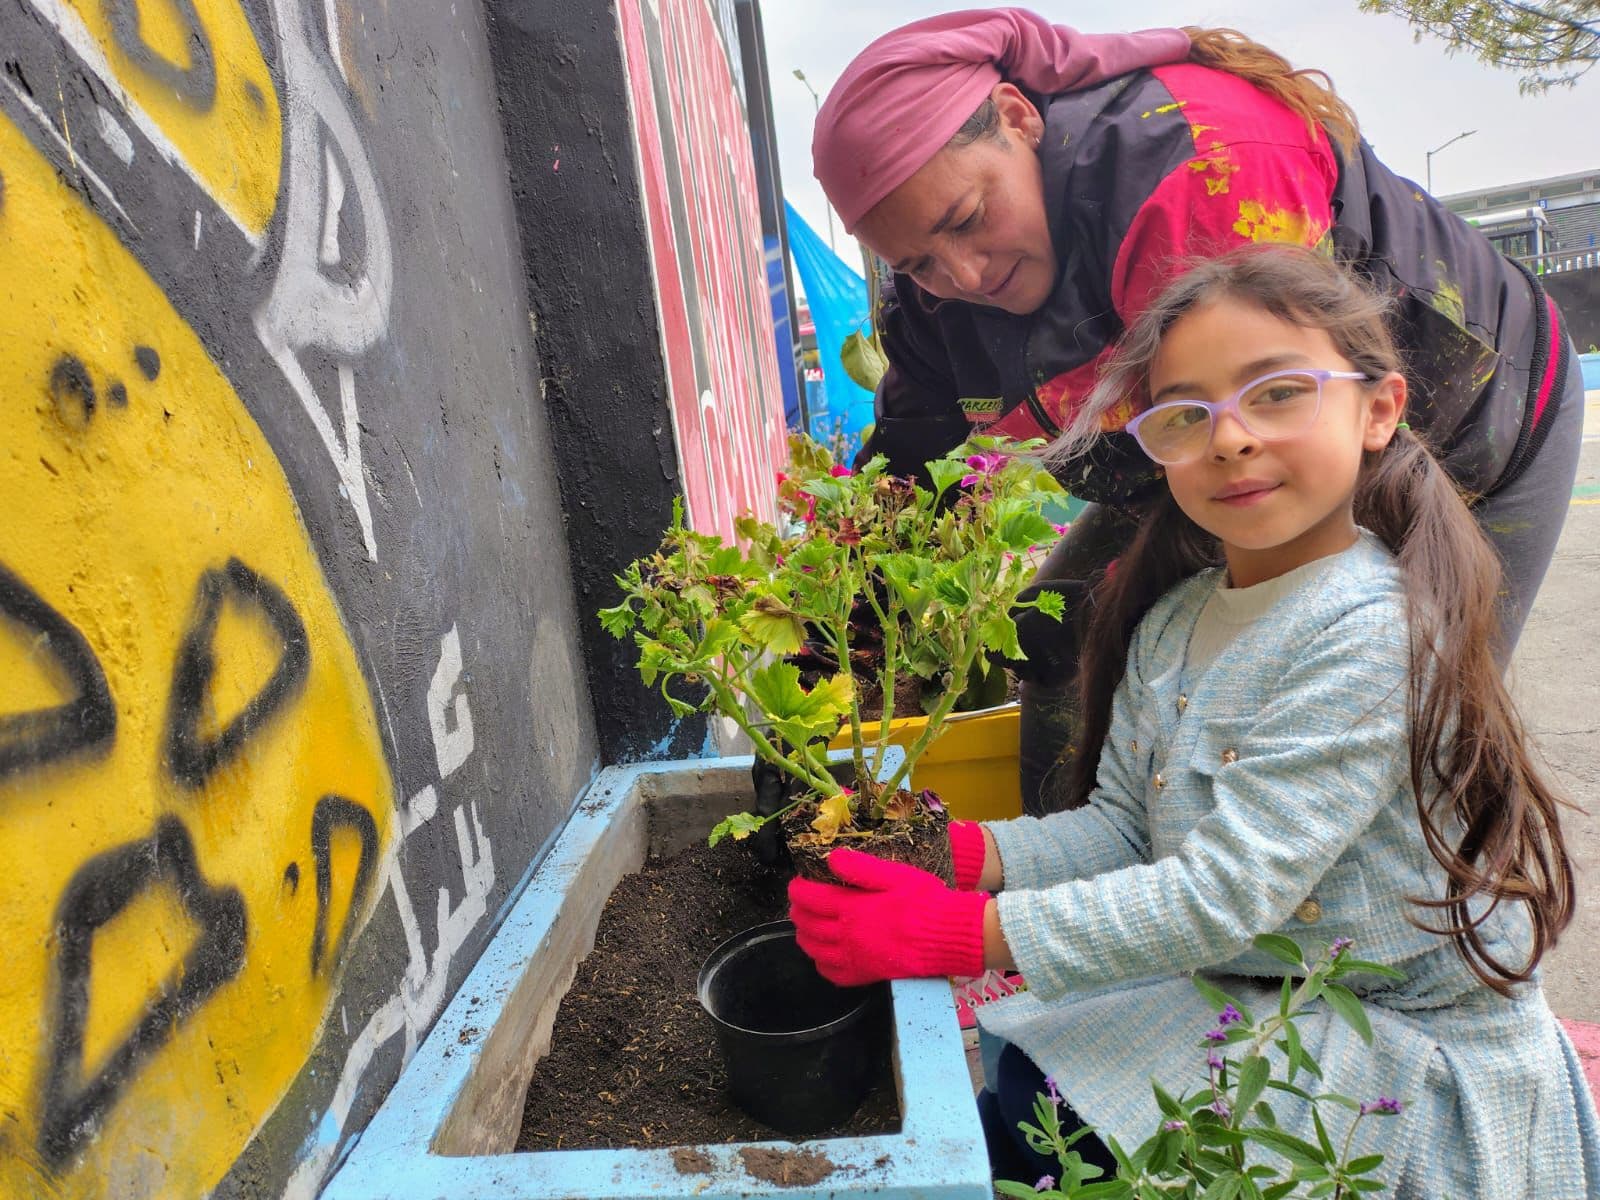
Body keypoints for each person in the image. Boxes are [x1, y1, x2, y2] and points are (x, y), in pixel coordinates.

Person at [787, 247, 1599, 1196]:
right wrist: (957, 854)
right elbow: (1125, 832)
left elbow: (1221, 894)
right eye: (1186, 414)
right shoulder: (1177, 615)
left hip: (1398, 1055)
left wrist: (964, 932)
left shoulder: (1374, 631)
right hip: (1265, 985)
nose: (1230, 438)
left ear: (1378, 410)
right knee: (1025, 1084)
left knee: (1053, 1105)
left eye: (1279, 394)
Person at [811, 9, 1585, 813]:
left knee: (1386, 732)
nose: (963, 275)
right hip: (1197, 463)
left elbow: (1287, 469)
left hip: (1459, 428)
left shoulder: (1200, 178)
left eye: (968, 220)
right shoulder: (938, 309)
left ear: (1017, 117)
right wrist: (826, 652)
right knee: (1059, 643)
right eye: (918, 264)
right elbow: (905, 476)